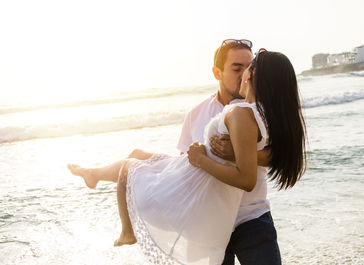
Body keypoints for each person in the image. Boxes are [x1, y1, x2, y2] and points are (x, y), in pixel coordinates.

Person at [68, 46, 307, 265]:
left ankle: (105, 192)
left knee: (134, 165)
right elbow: (187, 166)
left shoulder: (258, 110)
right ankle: (94, 174)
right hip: (209, 220)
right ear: (218, 72)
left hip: (250, 216)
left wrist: (236, 154)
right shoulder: (198, 113)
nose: (243, 72)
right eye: (237, 68)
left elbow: (281, 155)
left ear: (255, 75)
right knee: (138, 158)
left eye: (248, 67)